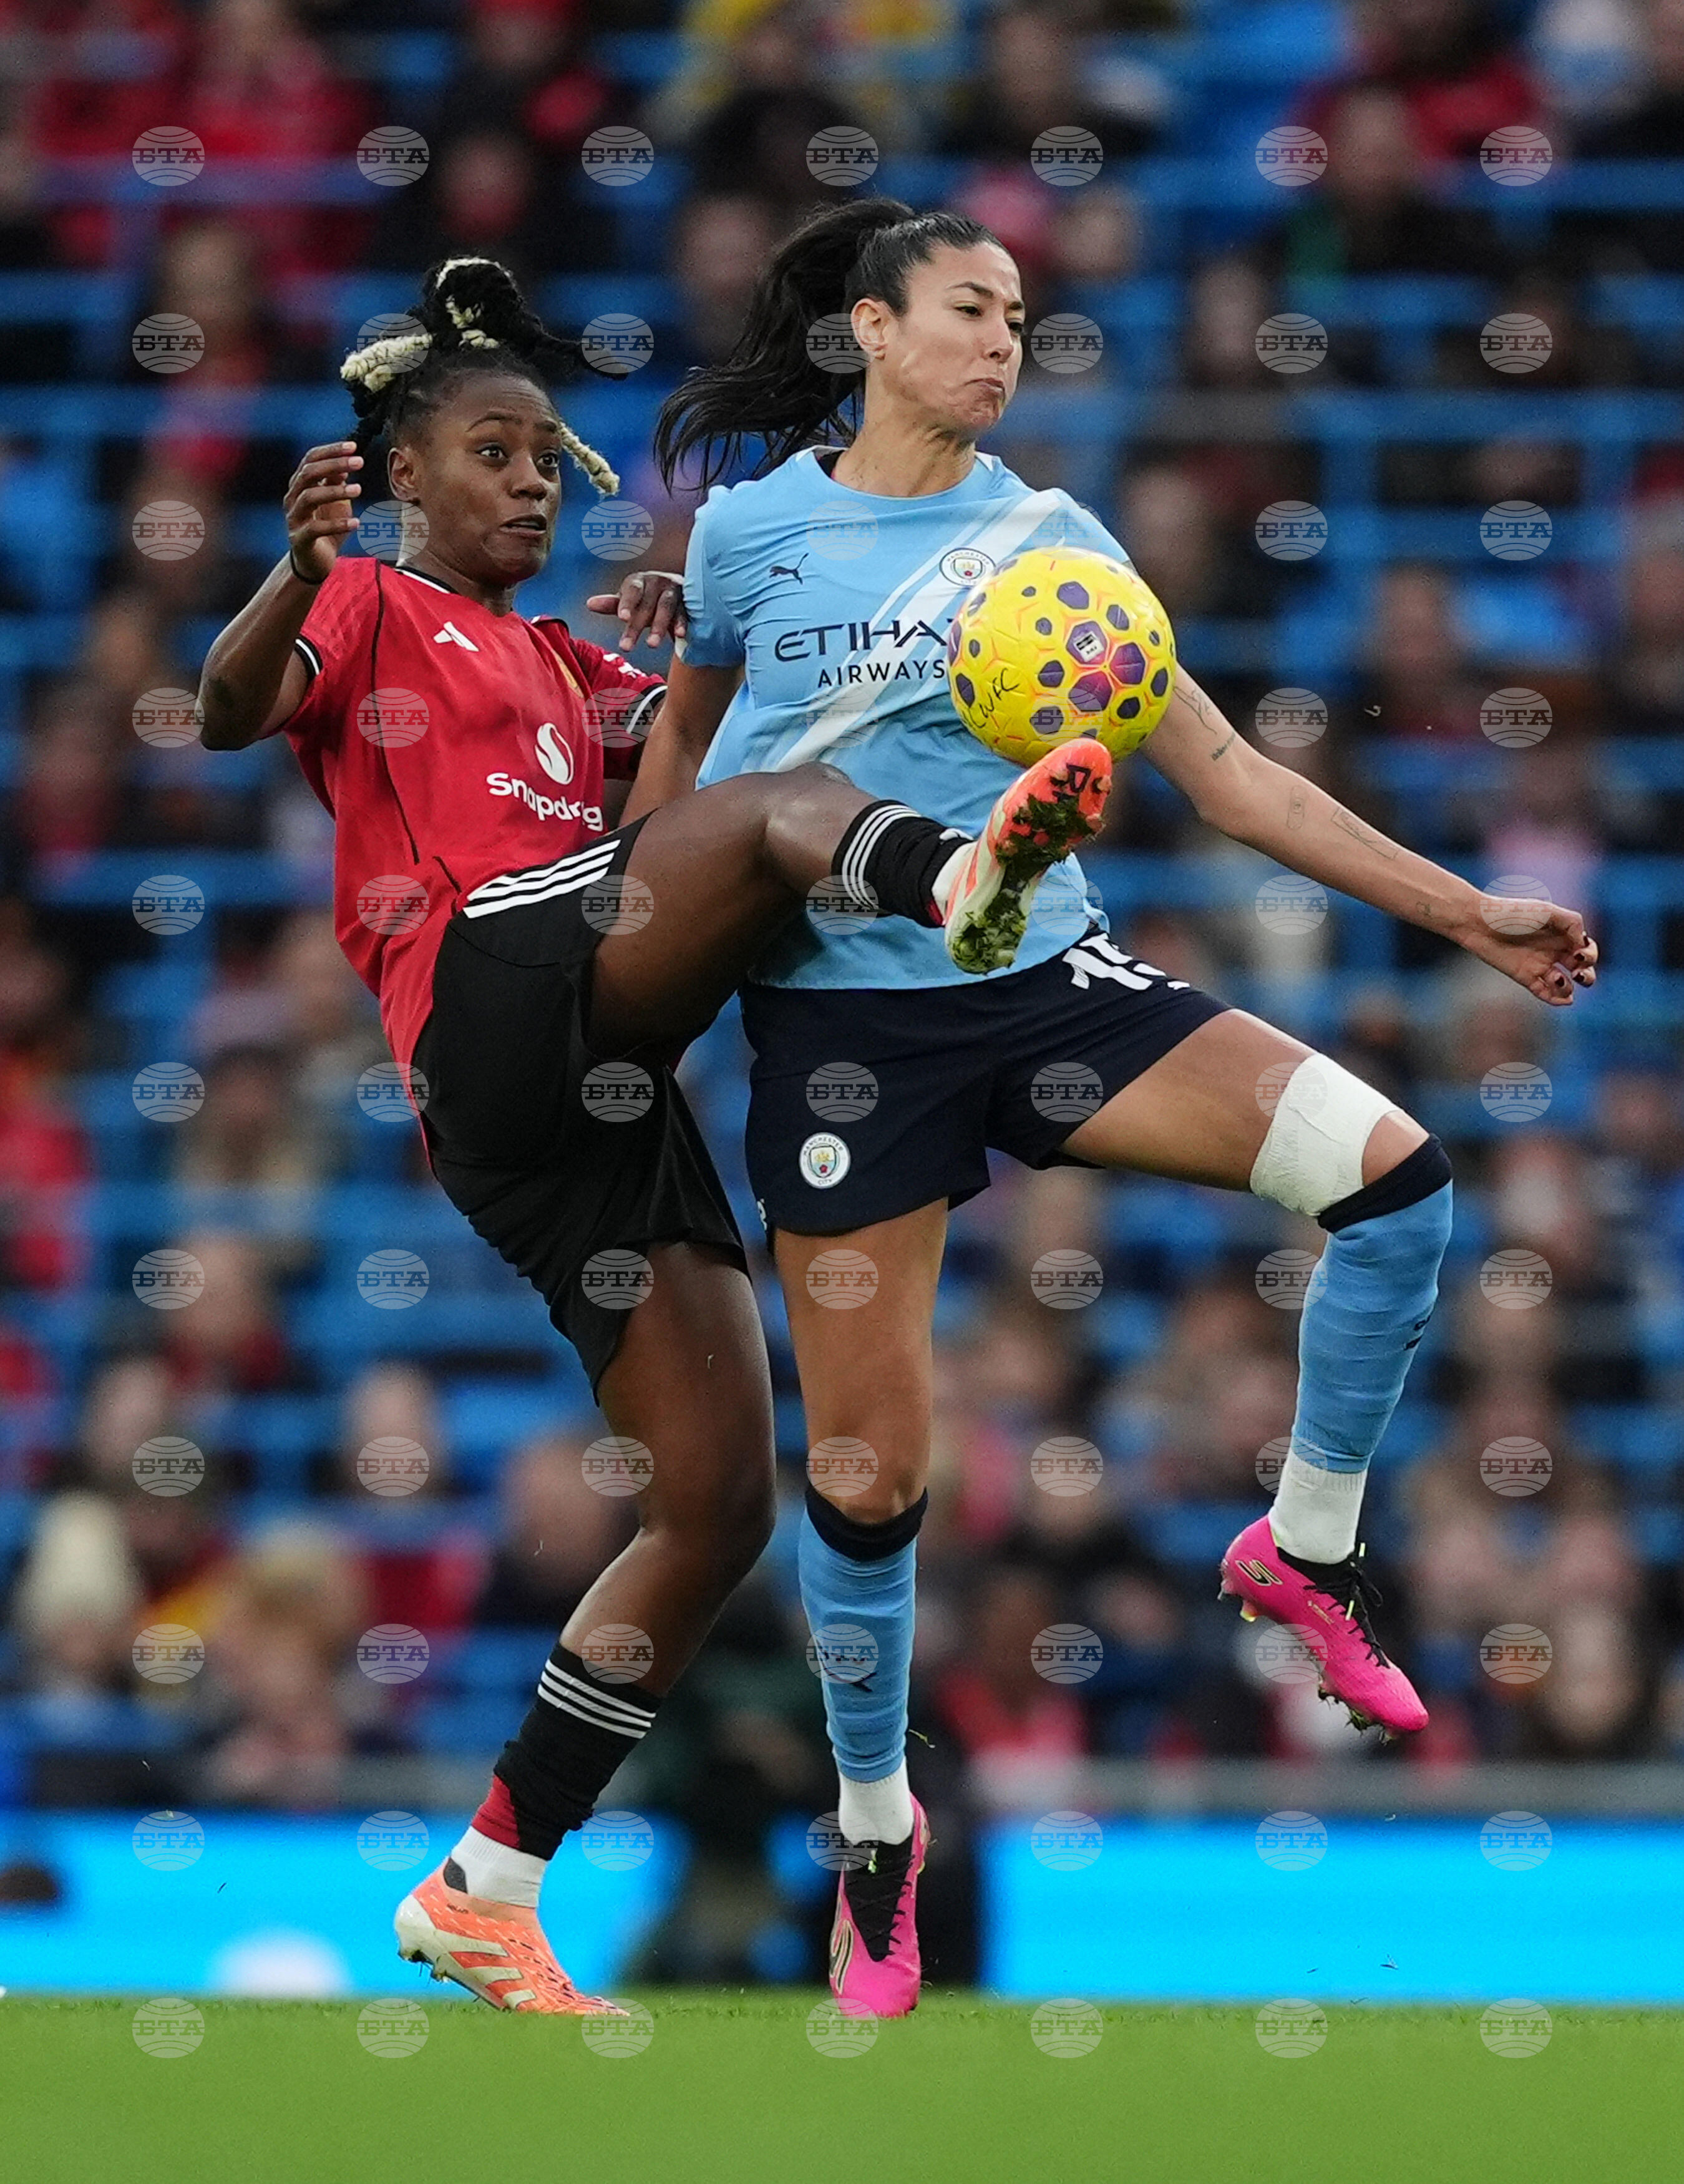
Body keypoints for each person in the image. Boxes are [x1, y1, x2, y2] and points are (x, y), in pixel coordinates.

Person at [640, 197, 1600, 2015]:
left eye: (1020, 316)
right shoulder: (750, 534)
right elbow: (685, 767)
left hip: (1044, 991)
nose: (1003, 341)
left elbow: (1230, 778)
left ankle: (1303, 1549)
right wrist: (626, 982)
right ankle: (875, 1831)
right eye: (968, 309)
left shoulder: (1054, 545)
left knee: (1395, 1179)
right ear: (868, 329)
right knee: (866, 1475)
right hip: (843, 1034)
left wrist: (1465, 912)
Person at [195, 254, 1108, 2014]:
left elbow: (690, 765)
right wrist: (292, 571)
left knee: (714, 1502)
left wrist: (717, 643)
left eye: (548, 459)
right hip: (481, 987)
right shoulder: (370, 605)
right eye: (493, 454)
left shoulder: (564, 662)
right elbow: (233, 708)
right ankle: (963, 884)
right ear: (404, 475)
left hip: (579, 1098)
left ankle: (487, 1881)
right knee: (777, 821)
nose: (531, 483)